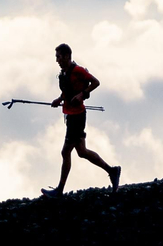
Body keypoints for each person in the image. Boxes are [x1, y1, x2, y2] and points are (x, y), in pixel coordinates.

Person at [44, 43, 121, 196]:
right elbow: (67, 91)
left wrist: (82, 94)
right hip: (71, 115)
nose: (57, 60)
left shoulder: (78, 71)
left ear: (67, 56)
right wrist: (59, 99)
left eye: (58, 57)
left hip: (77, 117)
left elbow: (95, 82)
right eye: (56, 57)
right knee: (82, 152)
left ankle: (59, 190)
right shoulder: (63, 74)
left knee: (65, 152)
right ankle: (112, 171)